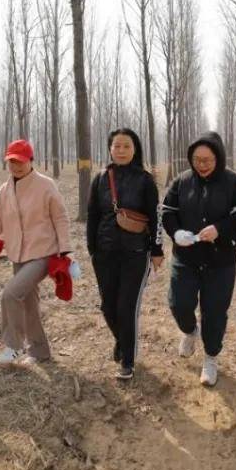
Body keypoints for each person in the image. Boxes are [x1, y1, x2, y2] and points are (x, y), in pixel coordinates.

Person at [161, 131, 236, 387]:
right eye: (197, 159)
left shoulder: (233, 182)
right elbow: (167, 211)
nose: (202, 165)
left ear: (218, 158)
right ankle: (189, 331)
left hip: (220, 261)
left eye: (208, 160)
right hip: (186, 258)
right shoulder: (182, 181)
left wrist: (220, 229)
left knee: (214, 312)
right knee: (179, 303)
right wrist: (176, 232)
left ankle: (211, 357)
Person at [0, 139, 73, 367]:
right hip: (18, 254)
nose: (16, 166)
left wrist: (67, 251)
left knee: (10, 294)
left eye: (20, 161)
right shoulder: (4, 190)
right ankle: (40, 351)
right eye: (11, 162)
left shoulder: (45, 185)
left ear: (31, 160)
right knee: (28, 302)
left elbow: (60, 218)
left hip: (42, 253)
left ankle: (13, 347)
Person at [86, 128, 165, 381]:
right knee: (108, 306)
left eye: (126, 146)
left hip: (135, 254)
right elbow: (92, 218)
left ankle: (128, 361)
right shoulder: (100, 179)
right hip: (104, 254)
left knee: (126, 307)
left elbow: (156, 218)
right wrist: (92, 250)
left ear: (135, 149)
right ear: (110, 148)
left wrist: (157, 249)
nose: (121, 151)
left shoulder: (145, 180)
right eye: (116, 146)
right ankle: (122, 340)